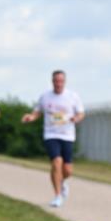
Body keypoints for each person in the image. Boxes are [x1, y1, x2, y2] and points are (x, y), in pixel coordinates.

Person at [21, 70, 85, 208]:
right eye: (56, 81)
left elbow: (81, 113)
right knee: (56, 162)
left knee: (68, 170)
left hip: (67, 135)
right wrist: (30, 117)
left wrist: (76, 118)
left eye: (61, 81)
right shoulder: (45, 97)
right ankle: (57, 196)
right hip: (51, 134)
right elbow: (37, 112)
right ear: (52, 81)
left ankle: (61, 181)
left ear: (65, 82)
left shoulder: (72, 96)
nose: (58, 84)